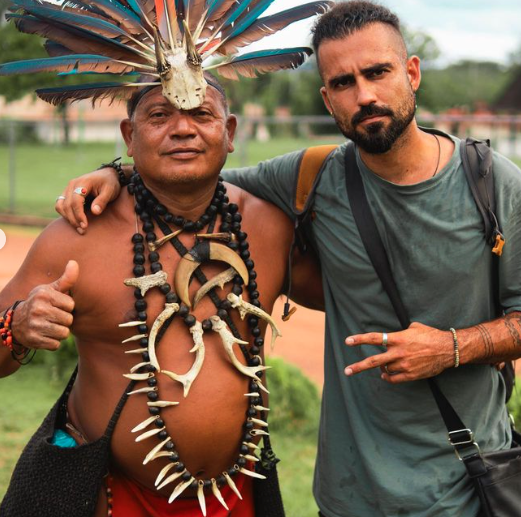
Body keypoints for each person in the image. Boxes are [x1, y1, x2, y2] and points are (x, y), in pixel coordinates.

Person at [59, 0, 521, 517]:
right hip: (350, 497)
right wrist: (117, 173)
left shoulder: (493, 183)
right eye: (343, 83)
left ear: (411, 74)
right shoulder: (315, 176)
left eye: (378, 72)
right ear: (327, 98)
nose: (364, 95)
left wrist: (452, 347)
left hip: (469, 486)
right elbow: (194, 175)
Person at [0, 75, 326, 516]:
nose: (183, 129)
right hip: (110, 498)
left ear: (228, 133)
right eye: (159, 115)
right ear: (129, 137)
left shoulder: (270, 228)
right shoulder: (75, 238)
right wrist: (17, 325)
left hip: (240, 498)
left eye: (201, 114)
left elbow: (353, 296)